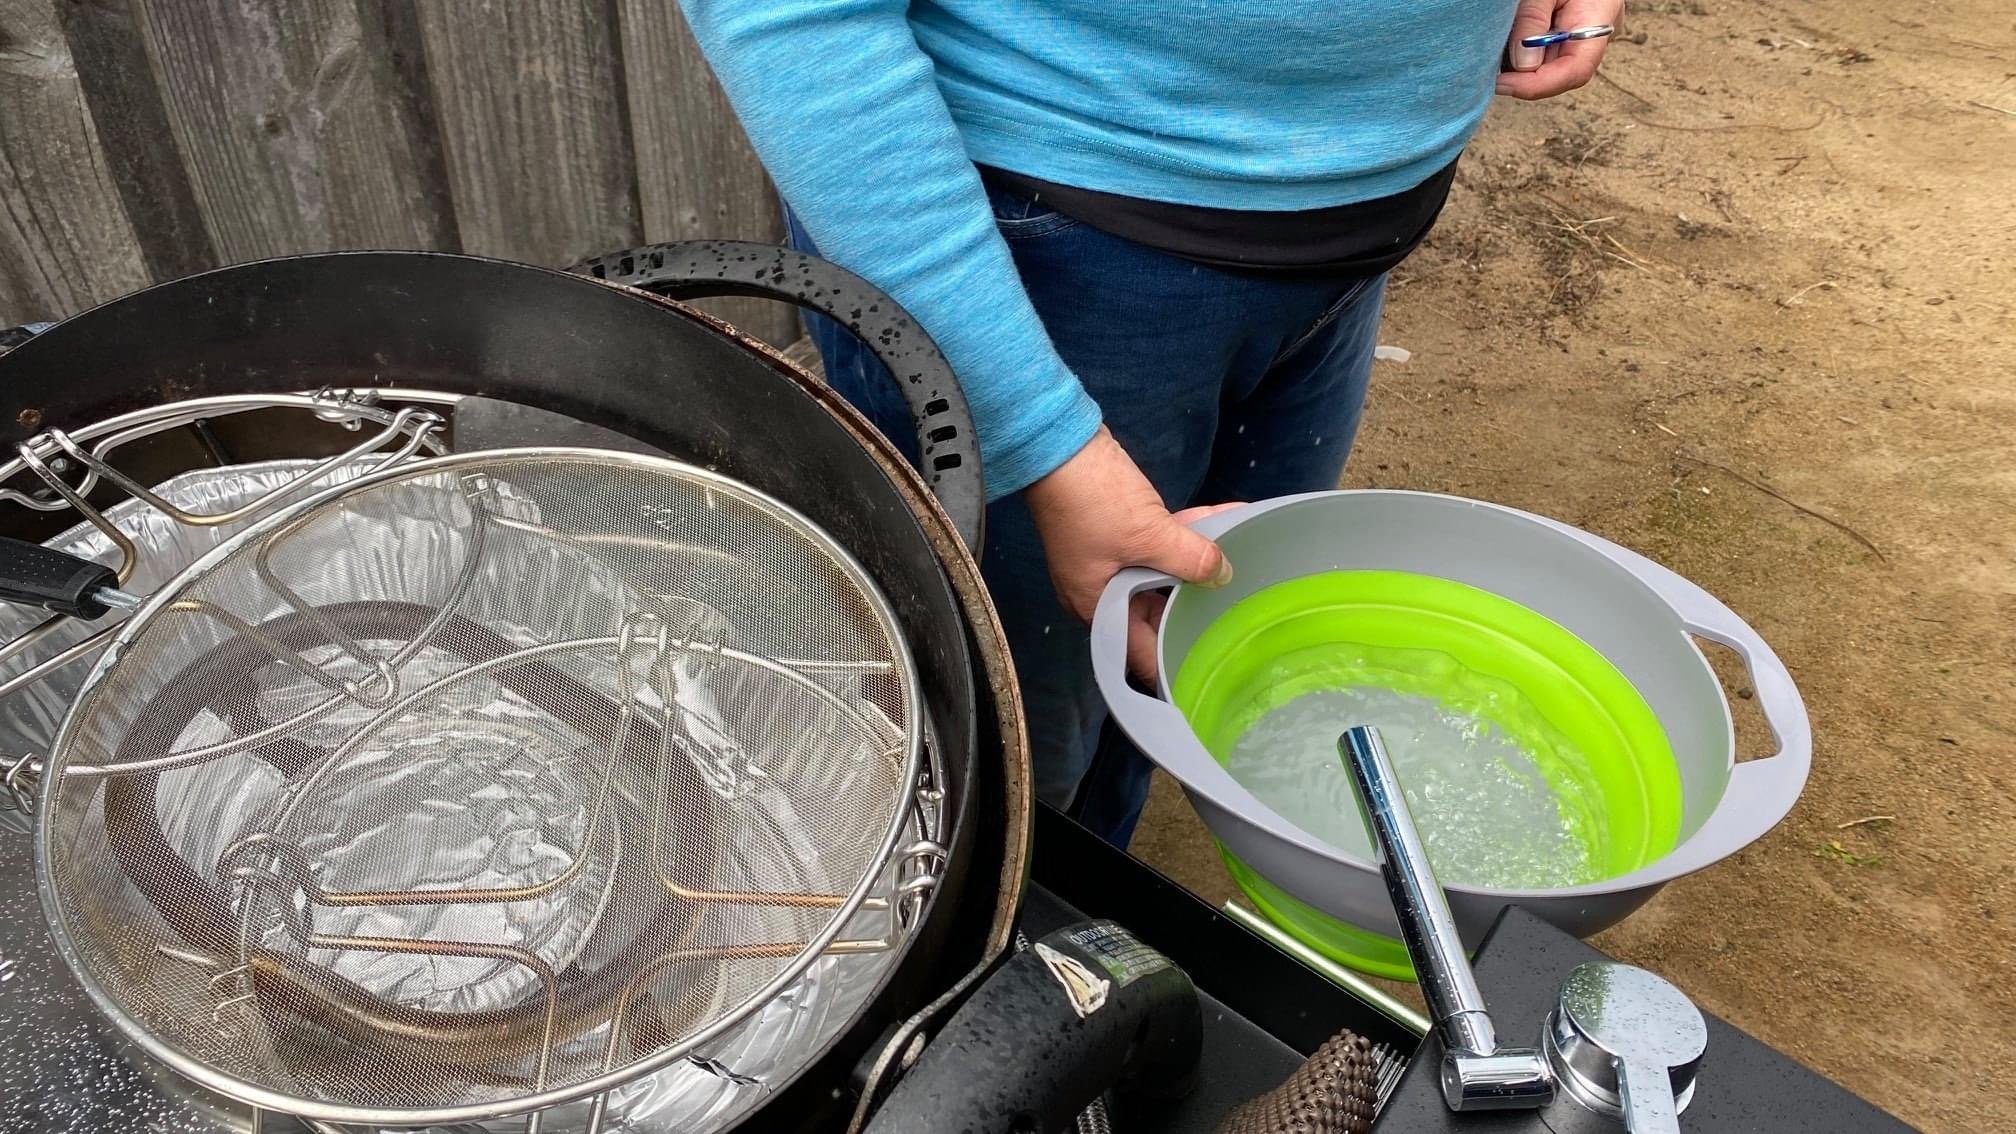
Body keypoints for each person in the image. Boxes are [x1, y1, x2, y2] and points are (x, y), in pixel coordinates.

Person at [678, 1, 1620, 846]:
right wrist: (1039, 440)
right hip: (1035, 250)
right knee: (1008, 765)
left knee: (1176, 653)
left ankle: (1104, 879)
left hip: (1347, 237)